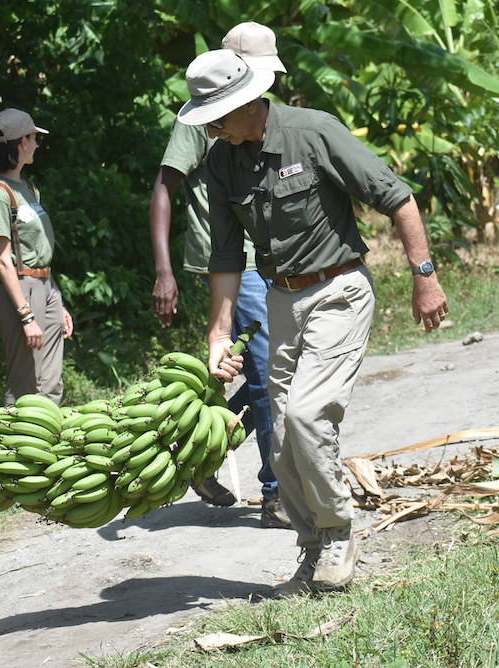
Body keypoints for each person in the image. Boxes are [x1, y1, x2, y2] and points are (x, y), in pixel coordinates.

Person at [177, 50, 448, 595]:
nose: (212, 127)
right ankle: (313, 548)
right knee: (279, 436)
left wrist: (425, 275)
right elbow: (227, 259)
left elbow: (397, 197)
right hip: (282, 299)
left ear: (250, 102)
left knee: (306, 416)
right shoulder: (220, 162)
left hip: (338, 290)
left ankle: (338, 533)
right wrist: (217, 333)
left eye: (219, 116)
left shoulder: (313, 132)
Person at [149, 22, 291, 528]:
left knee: (272, 375)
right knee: (271, 377)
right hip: (233, 263)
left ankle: (201, 452)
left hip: (272, 257)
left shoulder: (264, 116)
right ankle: (276, 494)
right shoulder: (203, 116)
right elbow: (166, 185)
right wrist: (164, 270)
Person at [0, 108, 73, 404]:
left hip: (45, 286)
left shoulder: (29, 188)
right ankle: (15, 445)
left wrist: (56, 300)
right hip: (20, 289)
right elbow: (2, 260)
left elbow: (41, 251)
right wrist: (26, 315)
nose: (37, 144)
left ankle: (47, 446)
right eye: (34, 138)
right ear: (21, 142)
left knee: (51, 382)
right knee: (25, 383)